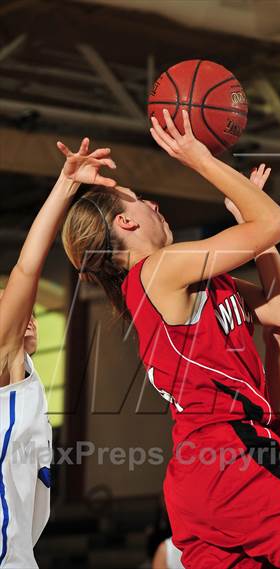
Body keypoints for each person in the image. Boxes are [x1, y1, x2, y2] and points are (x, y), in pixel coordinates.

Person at [62, 109, 280, 568]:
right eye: (141, 201)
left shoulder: (191, 277)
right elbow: (278, 222)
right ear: (125, 225)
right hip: (235, 460)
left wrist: (257, 229)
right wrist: (201, 158)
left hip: (206, 478)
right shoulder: (159, 268)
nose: (154, 206)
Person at [0, 137, 116, 567]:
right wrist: (65, 188)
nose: (18, 308)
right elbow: (27, 267)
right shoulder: (4, 360)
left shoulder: (20, 373)